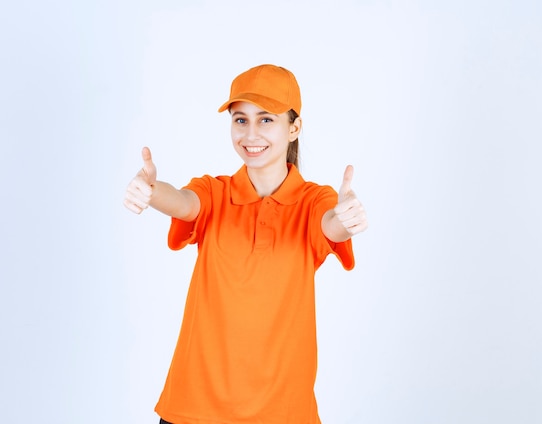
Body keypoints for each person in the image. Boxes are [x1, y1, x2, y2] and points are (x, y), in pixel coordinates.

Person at [124, 64, 368, 424]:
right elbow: (183, 202)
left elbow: (330, 225)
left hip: (282, 412)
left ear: (294, 127)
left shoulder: (314, 200)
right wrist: (150, 191)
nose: (251, 133)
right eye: (241, 120)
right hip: (193, 408)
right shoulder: (216, 192)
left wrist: (345, 219)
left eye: (266, 119)